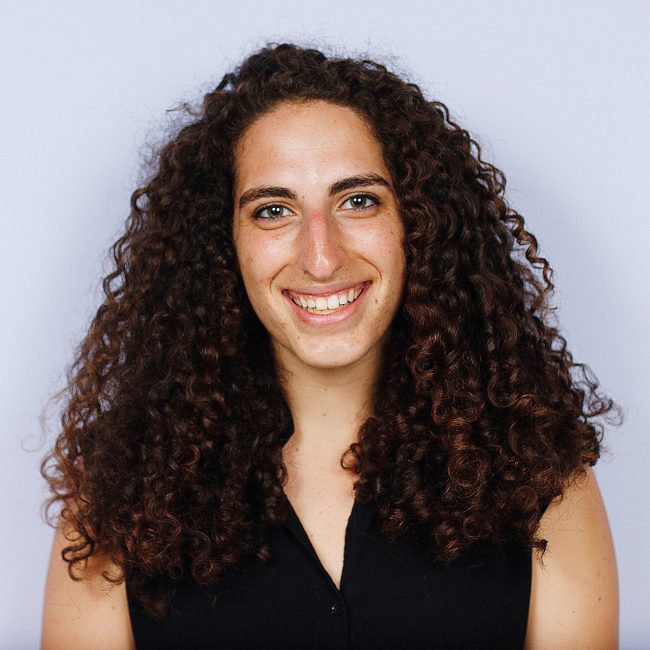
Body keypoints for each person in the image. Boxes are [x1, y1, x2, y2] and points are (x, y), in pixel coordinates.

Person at [40, 42, 620, 649]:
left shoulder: (540, 476)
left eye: (358, 201)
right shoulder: (118, 498)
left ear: (417, 223)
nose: (322, 257)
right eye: (273, 210)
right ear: (221, 244)